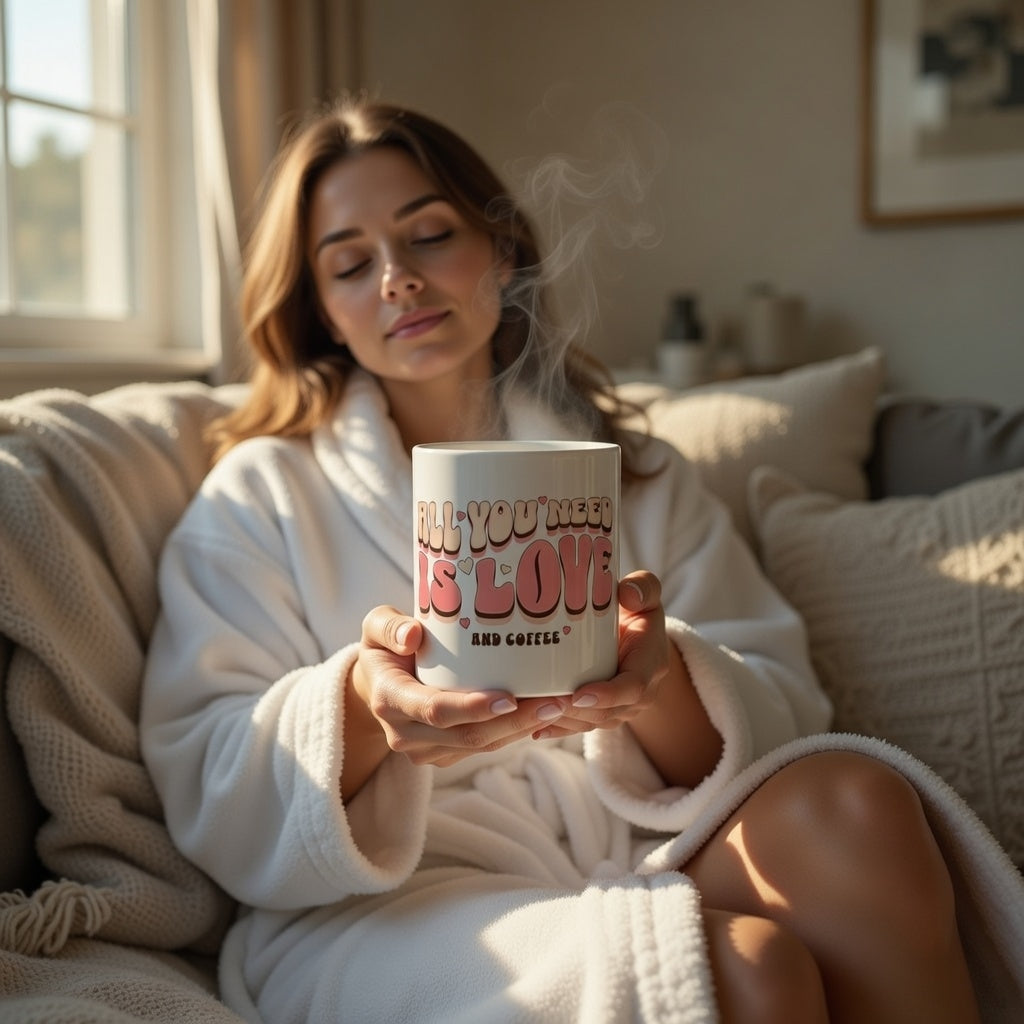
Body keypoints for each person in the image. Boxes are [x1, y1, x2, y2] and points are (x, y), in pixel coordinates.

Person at [141, 97, 982, 1023]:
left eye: (428, 236)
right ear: (325, 314)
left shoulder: (638, 479)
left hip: (639, 845)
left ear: (502, 254)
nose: (397, 280)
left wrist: (653, 684)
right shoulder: (264, 494)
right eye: (350, 263)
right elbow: (207, 769)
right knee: (748, 971)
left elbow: (784, 714)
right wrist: (365, 711)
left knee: (857, 804)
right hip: (399, 907)